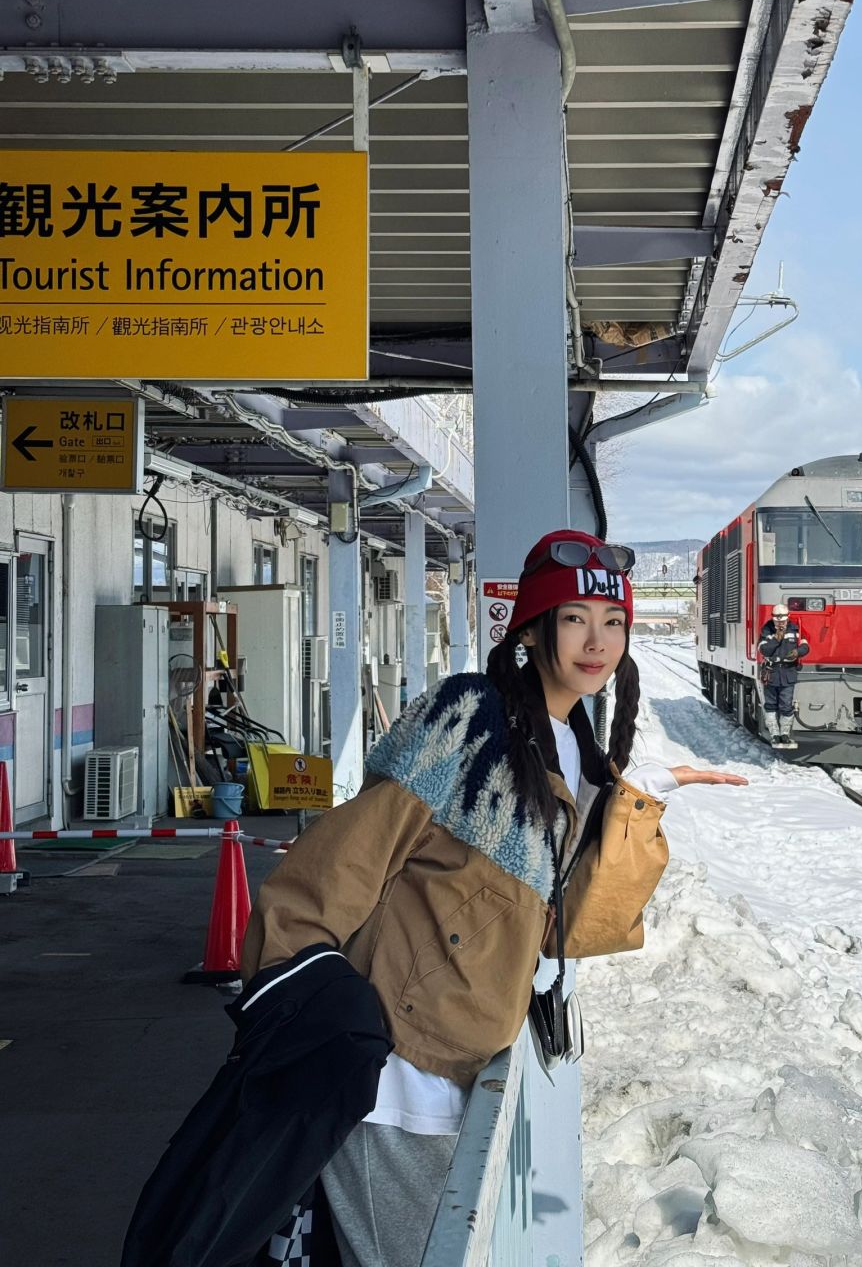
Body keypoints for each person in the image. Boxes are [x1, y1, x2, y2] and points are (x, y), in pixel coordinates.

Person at [241, 530, 749, 1267]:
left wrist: (643, 801)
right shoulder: (468, 719)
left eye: (613, 624)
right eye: (574, 619)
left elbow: (571, 928)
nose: (596, 641)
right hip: (390, 1077)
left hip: (460, 1065)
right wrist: (286, 1015)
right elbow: (336, 867)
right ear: (534, 628)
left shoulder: (575, 745)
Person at [757, 603, 809, 748]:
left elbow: (805, 645)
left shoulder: (795, 628)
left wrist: (798, 652)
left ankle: (785, 734)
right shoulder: (767, 629)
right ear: (773, 618)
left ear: (788, 618)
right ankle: (774, 735)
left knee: (786, 705)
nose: (780, 622)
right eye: (777, 620)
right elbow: (764, 650)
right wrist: (776, 639)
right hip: (771, 673)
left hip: (788, 672)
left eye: (782, 620)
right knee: (771, 705)